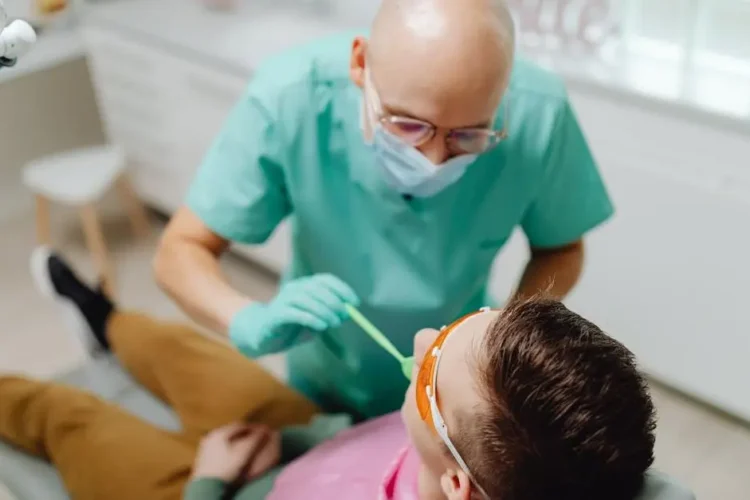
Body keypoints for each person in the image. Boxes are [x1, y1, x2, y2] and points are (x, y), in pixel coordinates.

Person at [153, 0, 615, 419]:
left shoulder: (539, 114)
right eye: (410, 126)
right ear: (360, 64)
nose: (434, 161)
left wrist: (504, 334)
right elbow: (181, 249)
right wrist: (243, 318)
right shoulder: (291, 97)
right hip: (325, 370)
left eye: (468, 136)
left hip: (455, 378)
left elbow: (561, 248)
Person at [0, 249, 655, 500]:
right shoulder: (477, 444)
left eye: (430, 370)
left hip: (208, 487)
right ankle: (104, 320)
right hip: (301, 443)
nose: (426, 337)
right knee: (181, 348)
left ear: (458, 484)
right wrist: (306, 438)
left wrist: (207, 480)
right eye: (464, 324)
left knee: (70, 416)